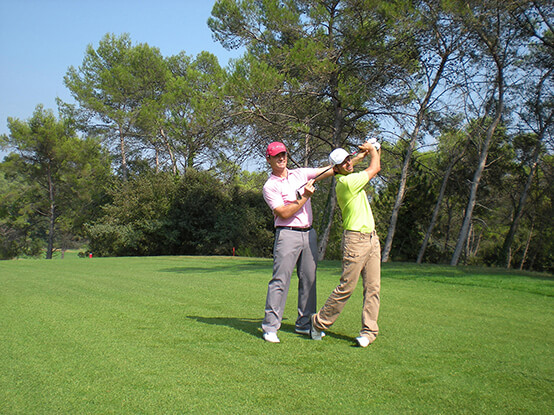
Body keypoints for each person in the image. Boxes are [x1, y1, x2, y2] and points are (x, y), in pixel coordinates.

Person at [310, 139, 381, 347]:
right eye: (344, 162)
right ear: (337, 168)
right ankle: (318, 322)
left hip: (371, 238)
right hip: (355, 240)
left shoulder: (348, 173)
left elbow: (357, 162)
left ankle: (368, 332)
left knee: (373, 288)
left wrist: (364, 153)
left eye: (349, 159)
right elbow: (375, 168)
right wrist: (373, 150)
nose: (349, 163)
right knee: (347, 287)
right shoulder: (346, 183)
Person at [261, 141, 334, 343]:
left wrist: (350, 159)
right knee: (280, 280)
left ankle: (304, 324)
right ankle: (270, 327)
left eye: (283, 154)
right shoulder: (270, 186)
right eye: (276, 156)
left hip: (308, 233)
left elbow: (327, 170)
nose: (281, 158)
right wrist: (304, 197)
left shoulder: (299, 174)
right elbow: (283, 213)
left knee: (309, 280)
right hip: (287, 234)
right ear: (269, 159)